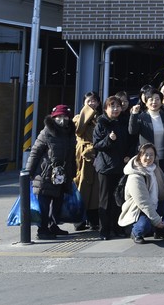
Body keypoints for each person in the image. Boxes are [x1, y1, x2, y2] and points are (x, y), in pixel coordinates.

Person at [25, 104, 77, 240]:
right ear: (54, 117)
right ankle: (42, 230)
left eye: (65, 116)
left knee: (58, 201)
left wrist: (73, 171)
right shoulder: (47, 132)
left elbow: (72, 155)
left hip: (62, 174)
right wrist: (29, 171)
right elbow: (35, 151)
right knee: (44, 203)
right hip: (45, 174)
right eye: (59, 117)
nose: (62, 119)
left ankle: (53, 226)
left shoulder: (70, 132)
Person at [92, 95, 134, 240]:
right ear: (105, 109)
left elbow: (131, 142)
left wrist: (128, 155)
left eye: (118, 106)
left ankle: (118, 227)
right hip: (105, 167)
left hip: (121, 166)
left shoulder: (124, 122)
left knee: (119, 198)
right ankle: (104, 230)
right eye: (112, 106)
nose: (116, 109)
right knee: (105, 200)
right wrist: (109, 139)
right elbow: (96, 144)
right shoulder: (101, 123)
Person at [118, 143, 164, 244]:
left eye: (151, 155)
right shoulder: (135, 176)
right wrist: (156, 220)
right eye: (146, 154)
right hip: (139, 210)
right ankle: (135, 232)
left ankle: (159, 231)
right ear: (140, 156)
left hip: (156, 203)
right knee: (143, 226)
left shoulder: (155, 168)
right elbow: (143, 202)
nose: (148, 157)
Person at [72, 92, 101, 231]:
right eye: (89, 101)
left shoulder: (100, 119)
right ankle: (79, 220)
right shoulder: (78, 117)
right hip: (83, 157)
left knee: (95, 190)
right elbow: (78, 130)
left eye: (94, 101)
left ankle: (93, 219)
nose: (92, 103)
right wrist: (88, 111)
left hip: (96, 155)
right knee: (82, 186)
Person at [128, 88, 164, 171]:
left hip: (163, 158)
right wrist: (134, 114)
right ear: (146, 102)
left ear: (161, 102)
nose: (154, 102)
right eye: (151, 99)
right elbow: (132, 131)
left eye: (157, 99)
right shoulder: (141, 117)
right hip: (147, 158)